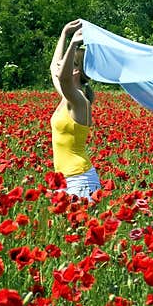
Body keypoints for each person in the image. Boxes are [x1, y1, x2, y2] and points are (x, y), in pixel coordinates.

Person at [49, 19, 101, 201]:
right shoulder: (67, 96)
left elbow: (63, 78)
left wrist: (73, 45)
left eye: (66, 63)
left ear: (76, 70)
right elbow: (53, 68)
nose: (60, 65)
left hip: (79, 179)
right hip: (65, 179)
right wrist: (64, 34)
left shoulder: (79, 100)